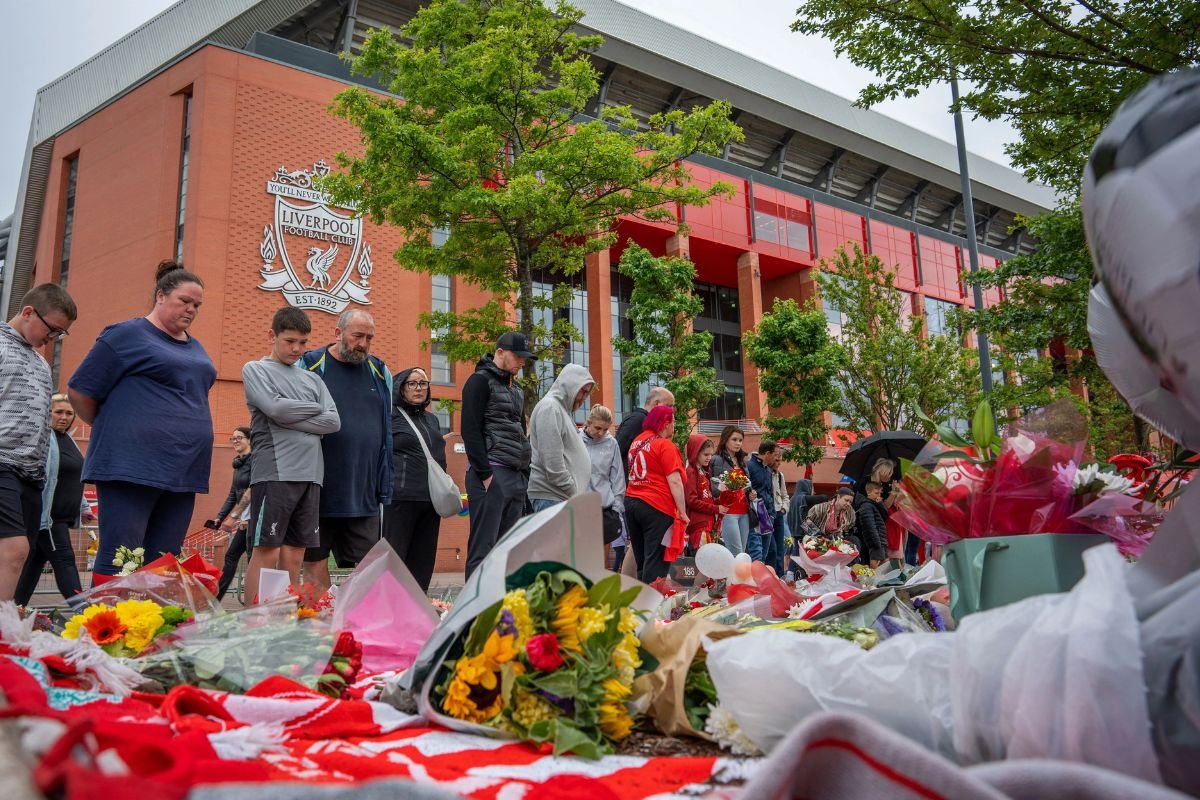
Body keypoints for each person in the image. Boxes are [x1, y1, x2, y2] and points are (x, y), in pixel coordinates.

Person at [69, 261, 215, 584]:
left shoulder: (196, 347)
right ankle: (106, 629)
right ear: (160, 296)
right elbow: (80, 391)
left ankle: (148, 631)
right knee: (124, 555)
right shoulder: (126, 335)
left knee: (164, 557)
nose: (191, 310)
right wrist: (118, 429)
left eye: (197, 305)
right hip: (130, 466)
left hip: (182, 470)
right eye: (184, 302)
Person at [242, 307, 340, 604]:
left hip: (312, 475)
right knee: (267, 549)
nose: (297, 349)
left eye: (303, 342)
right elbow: (274, 409)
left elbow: (334, 422)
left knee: (296, 552)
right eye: (290, 341)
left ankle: (286, 616)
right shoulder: (255, 370)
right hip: (275, 473)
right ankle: (255, 622)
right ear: (272, 336)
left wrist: (289, 412)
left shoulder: (313, 380)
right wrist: (313, 411)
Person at [299, 309, 393, 594]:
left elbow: (387, 428)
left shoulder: (379, 370)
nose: (363, 344)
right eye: (357, 336)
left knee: (369, 566)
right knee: (314, 561)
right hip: (318, 487)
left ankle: (357, 628)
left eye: (369, 338)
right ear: (337, 333)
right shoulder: (311, 365)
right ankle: (323, 629)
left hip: (363, 489)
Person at [1, 284, 77, 602]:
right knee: (13, 549)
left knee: (23, 554)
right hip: (2, 462)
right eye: (53, 329)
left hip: (32, 477)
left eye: (61, 334)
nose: (53, 339)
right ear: (29, 312)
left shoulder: (42, 364)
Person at [461, 331, 534, 579]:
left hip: (515, 475)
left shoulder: (517, 390)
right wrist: (485, 475)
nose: (522, 362)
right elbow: (469, 429)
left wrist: (524, 474)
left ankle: (503, 611)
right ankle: (474, 614)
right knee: (483, 549)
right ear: (500, 353)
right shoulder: (479, 381)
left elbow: (521, 432)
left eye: (525, 357)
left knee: (509, 551)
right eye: (518, 356)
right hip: (492, 473)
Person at [15, 392, 91, 606]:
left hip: (59, 518)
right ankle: (87, 615)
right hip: (46, 519)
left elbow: (73, 478)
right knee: (65, 560)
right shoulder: (44, 439)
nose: (64, 417)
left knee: (33, 566)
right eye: (58, 412)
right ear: (47, 413)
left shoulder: (68, 440)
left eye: (69, 413)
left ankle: (11, 614)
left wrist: (83, 507)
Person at [382, 367, 446, 593]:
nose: (419, 388)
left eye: (423, 383)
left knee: (423, 563)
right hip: (401, 498)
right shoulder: (390, 416)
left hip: (430, 501)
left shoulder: (432, 420)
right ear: (401, 388)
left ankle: (416, 610)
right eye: (412, 383)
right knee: (395, 560)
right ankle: (388, 608)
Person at [624, 405, 688, 582]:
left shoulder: (637, 441)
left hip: (632, 502)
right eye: (673, 421)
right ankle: (653, 604)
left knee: (642, 558)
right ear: (666, 423)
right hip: (656, 505)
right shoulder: (664, 445)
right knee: (656, 560)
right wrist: (682, 513)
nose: (674, 426)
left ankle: (642, 601)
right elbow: (674, 481)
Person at [528, 363, 595, 512]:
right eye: (582, 391)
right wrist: (572, 490)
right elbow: (552, 462)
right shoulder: (550, 408)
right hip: (552, 497)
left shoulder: (561, 410)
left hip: (560, 498)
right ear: (569, 386)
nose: (584, 397)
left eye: (587, 393)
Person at [579, 404, 626, 566]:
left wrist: (617, 509)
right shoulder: (575, 440)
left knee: (600, 564)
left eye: (605, 430)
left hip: (604, 509)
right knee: (580, 561)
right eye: (597, 428)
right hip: (579, 508)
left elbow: (618, 478)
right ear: (587, 422)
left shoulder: (611, 444)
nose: (601, 433)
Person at [210, 426, 252, 601]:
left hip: (255, 517)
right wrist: (220, 517)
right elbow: (232, 494)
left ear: (250, 440)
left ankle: (255, 601)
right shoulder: (239, 466)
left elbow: (255, 490)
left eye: (239, 437)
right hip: (244, 517)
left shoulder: (256, 461)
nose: (235, 440)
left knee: (253, 559)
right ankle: (216, 599)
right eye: (232, 438)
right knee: (231, 556)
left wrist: (238, 516)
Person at [709, 425, 756, 556]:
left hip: (744, 512)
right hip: (728, 512)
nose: (738, 443)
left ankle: (735, 576)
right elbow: (712, 486)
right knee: (735, 552)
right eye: (734, 439)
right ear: (725, 439)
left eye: (740, 440)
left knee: (741, 553)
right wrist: (726, 486)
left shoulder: (742, 461)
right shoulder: (716, 460)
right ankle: (733, 577)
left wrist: (751, 493)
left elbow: (747, 486)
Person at [615, 386, 674, 472]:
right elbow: (617, 451)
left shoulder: (643, 421)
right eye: (669, 406)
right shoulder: (638, 420)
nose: (671, 411)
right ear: (657, 403)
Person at [684, 434, 726, 553]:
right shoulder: (691, 472)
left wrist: (723, 500)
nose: (709, 458)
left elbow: (706, 498)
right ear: (695, 453)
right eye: (706, 454)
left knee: (708, 563)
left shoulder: (703, 471)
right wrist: (716, 508)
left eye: (711, 454)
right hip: (699, 526)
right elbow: (691, 500)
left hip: (707, 525)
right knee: (704, 564)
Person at [745, 440, 779, 563]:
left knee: (765, 551)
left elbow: (770, 492)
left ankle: (759, 576)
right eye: (775, 455)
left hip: (768, 515)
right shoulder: (749, 466)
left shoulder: (768, 470)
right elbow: (745, 489)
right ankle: (754, 577)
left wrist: (772, 514)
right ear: (767, 453)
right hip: (754, 514)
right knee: (756, 550)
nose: (776, 458)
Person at [852, 480, 888, 568]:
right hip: (875, 540)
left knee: (883, 564)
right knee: (876, 564)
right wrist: (876, 543)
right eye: (876, 493)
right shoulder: (866, 506)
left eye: (880, 493)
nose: (878, 496)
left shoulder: (873, 504)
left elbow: (886, 516)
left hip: (879, 539)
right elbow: (869, 526)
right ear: (868, 492)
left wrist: (880, 504)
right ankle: (872, 581)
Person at [770, 456, 791, 575]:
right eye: (776, 460)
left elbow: (785, 495)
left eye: (780, 460)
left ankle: (780, 575)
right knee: (771, 548)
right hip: (767, 513)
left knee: (780, 547)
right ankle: (772, 574)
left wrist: (783, 508)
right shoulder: (765, 474)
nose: (778, 463)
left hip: (779, 513)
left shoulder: (779, 476)